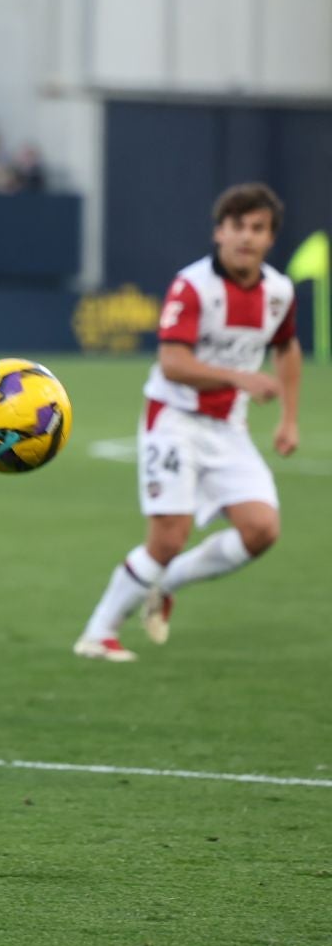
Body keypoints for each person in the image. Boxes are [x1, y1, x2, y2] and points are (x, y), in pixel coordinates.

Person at [74, 183, 301, 663]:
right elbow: (173, 363)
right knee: (168, 538)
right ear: (219, 232)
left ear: (270, 239)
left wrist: (289, 420)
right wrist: (241, 377)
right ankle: (98, 632)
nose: (246, 237)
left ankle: (169, 584)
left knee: (262, 529)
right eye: (237, 226)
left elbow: (286, 347)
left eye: (257, 229)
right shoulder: (193, 285)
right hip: (173, 417)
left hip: (228, 427)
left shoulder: (279, 291)